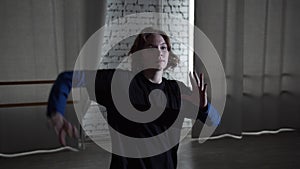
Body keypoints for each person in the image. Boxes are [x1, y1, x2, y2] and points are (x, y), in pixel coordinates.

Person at [47, 27, 220, 169]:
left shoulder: (177, 90)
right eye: (152, 47)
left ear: (168, 56)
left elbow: (214, 121)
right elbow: (67, 78)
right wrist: (56, 112)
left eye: (163, 47)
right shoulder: (118, 83)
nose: (159, 51)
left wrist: (204, 107)